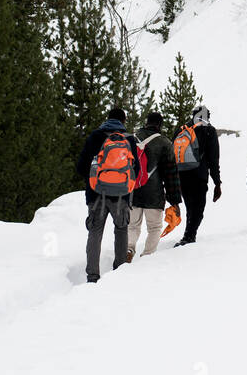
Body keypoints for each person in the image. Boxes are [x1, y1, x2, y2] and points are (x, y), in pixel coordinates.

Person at [76, 107, 139, 283]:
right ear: (123, 121)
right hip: (121, 196)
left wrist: (94, 182)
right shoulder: (129, 140)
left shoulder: (95, 137)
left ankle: (92, 275)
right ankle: (119, 271)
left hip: (96, 194)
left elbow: (81, 166)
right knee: (121, 230)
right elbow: (137, 169)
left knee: (95, 232)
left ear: (107, 119)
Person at [127, 111, 182, 260]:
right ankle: (147, 256)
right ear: (159, 125)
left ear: (146, 122)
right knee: (154, 228)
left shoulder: (132, 138)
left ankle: (129, 249)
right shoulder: (164, 143)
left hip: (134, 191)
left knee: (132, 226)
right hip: (154, 194)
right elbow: (171, 175)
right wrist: (175, 201)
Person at [172, 105, 222, 247]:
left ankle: (188, 234)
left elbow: (172, 154)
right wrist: (217, 183)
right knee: (198, 209)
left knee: (190, 207)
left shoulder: (181, 130)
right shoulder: (209, 131)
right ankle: (189, 236)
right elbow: (213, 159)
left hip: (181, 174)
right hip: (199, 176)